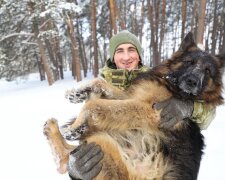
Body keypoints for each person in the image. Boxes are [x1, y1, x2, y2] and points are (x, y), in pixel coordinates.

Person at [67, 30, 216, 180]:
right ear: (113, 56)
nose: (126, 56)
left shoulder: (159, 78)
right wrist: (75, 171)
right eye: (120, 51)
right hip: (119, 165)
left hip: (160, 162)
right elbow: (87, 141)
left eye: (131, 50)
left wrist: (190, 108)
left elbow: (208, 113)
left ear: (138, 54)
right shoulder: (97, 91)